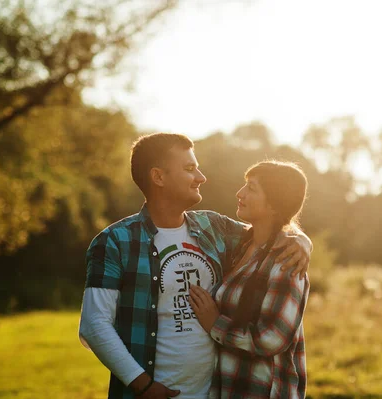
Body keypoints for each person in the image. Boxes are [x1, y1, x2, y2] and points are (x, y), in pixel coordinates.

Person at [78, 133, 312, 399]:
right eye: (190, 169)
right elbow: (94, 325)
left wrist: (302, 241)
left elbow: (269, 230)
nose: (201, 177)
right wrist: (142, 386)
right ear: (158, 177)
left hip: (215, 391)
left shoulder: (213, 228)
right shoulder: (114, 242)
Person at [189, 161, 310, 399]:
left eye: (251, 188)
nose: (240, 193)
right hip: (230, 386)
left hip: (263, 390)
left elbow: (272, 338)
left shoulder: (286, 262)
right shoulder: (240, 243)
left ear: (275, 205)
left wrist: (215, 324)